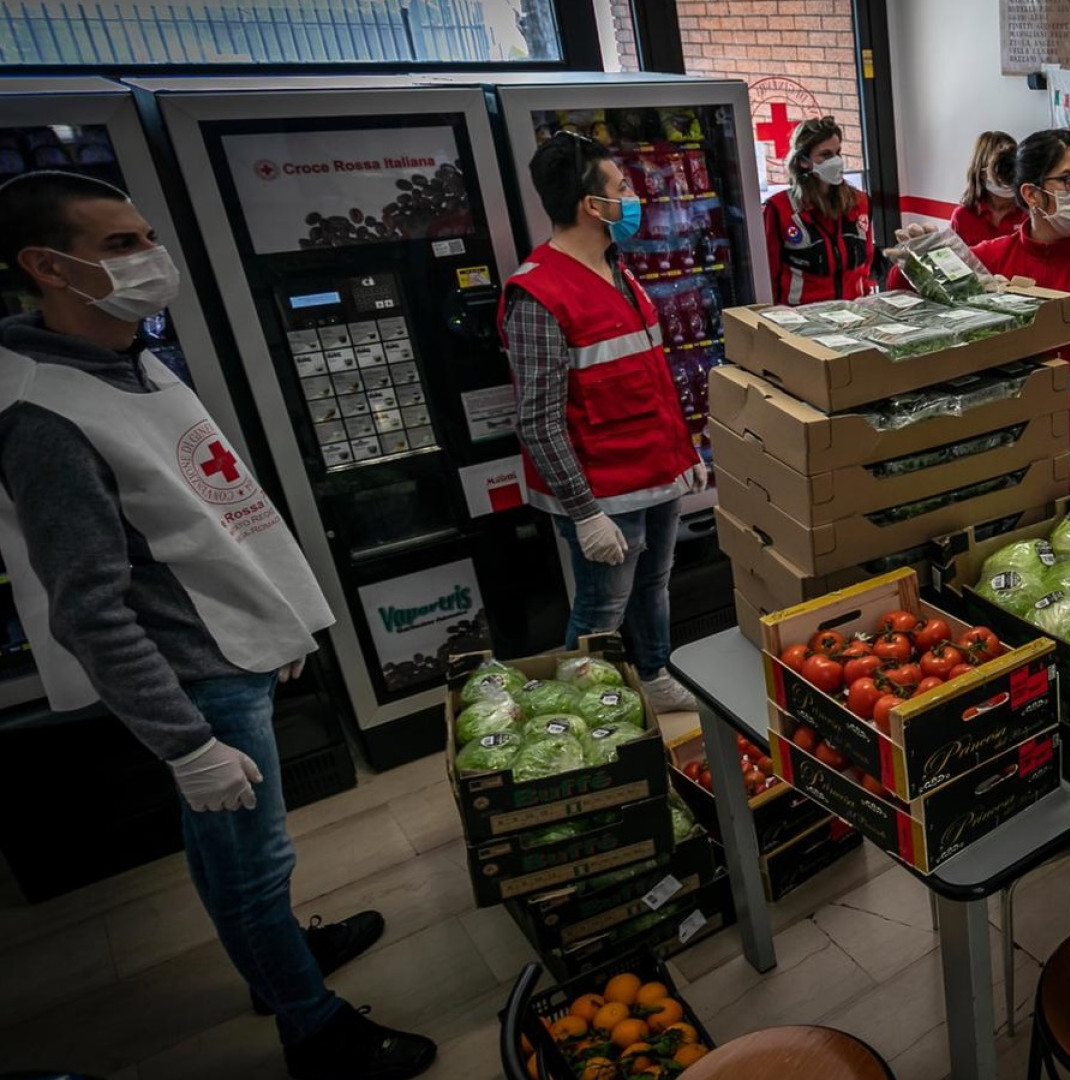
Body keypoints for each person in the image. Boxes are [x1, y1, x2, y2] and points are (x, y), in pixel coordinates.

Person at [0, 172, 434, 1080]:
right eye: (120, 245)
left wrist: (274, 621)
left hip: (231, 645)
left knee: (236, 857)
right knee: (252, 861)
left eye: (147, 236)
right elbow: (88, 609)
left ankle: (278, 959)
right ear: (47, 266)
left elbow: (198, 515)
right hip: (197, 681)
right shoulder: (45, 416)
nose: (151, 258)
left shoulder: (125, 356)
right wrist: (187, 745)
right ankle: (314, 1031)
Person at [502, 132, 703, 714]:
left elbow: (650, 375)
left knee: (653, 586)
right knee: (600, 612)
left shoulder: (617, 268)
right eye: (622, 187)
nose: (632, 196)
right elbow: (538, 420)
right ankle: (577, 715)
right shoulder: (536, 294)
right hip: (604, 492)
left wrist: (685, 452)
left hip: (655, 470)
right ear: (593, 206)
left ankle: (654, 674)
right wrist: (584, 512)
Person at [889, 130, 1070, 529]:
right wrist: (920, 258)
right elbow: (905, 296)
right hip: (1011, 461)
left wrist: (1010, 302)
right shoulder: (994, 257)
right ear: (1032, 194)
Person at [763, 115, 873, 304]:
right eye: (826, 155)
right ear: (803, 161)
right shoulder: (779, 209)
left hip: (854, 314)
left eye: (838, 153)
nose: (836, 161)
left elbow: (866, 264)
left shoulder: (860, 203)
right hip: (801, 316)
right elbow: (770, 274)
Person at [949, 130, 1022, 246]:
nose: (1007, 172)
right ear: (981, 172)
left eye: (1011, 164)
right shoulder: (962, 217)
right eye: (999, 165)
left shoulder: (1030, 215)